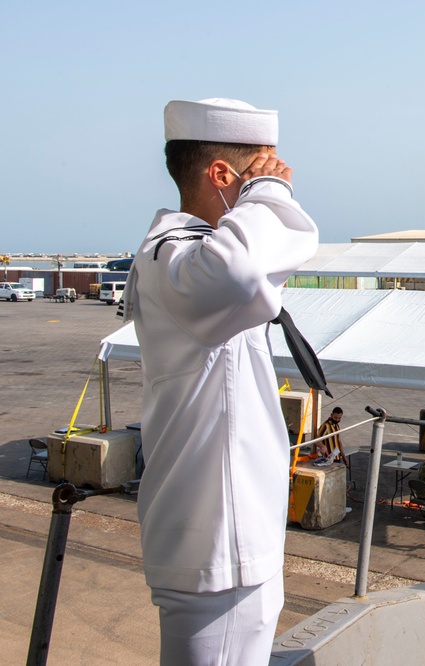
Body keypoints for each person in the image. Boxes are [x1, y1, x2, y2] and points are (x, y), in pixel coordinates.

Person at [124, 98, 318, 665]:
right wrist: (269, 195)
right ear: (222, 176)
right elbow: (238, 275)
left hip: (228, 541)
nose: (277, 184)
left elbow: (250, 273)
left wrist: (259, 195)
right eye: (262, 171)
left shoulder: (187, 256)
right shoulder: (179, 256)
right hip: (219, 548)